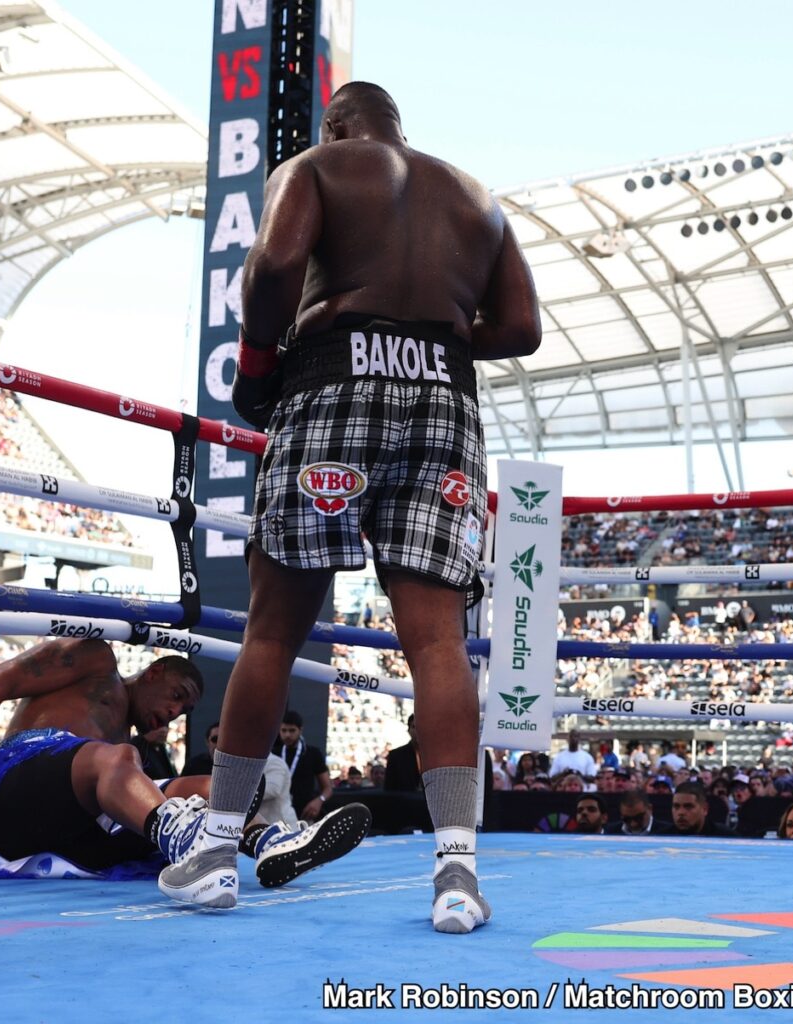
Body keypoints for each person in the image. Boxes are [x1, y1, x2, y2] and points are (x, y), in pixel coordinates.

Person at [161, 80, 540, 933]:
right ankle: (457, 876)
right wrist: (427, 336)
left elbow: (272, 266)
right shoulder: (476, 198)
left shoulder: (317, 164)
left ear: (338, 124)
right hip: (445, 399)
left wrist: (261, 357)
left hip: (334, 380)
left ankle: (219, 851)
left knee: (271, 629)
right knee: (438, 642)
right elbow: (519, 328)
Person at [0, 639, 368, 899]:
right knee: (120, 761)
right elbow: (0, 677)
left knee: (209, 785)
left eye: (185, 711)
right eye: (177, 696)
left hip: (69, 829)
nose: (175, 714)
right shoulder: (96, 663)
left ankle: (267, 843)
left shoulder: (124, 747)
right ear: (152, 674)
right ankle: (190, 842)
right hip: (16, 788)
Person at [272, 710, 333, 821]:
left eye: (292, 730)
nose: (287, 735)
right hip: (278, 815)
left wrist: (319, 801)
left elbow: (327, 788)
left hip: (306, 815)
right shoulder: (273, 754)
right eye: (283, 730)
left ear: (300, 730)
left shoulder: (313, 753)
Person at [668, 783, 734, 837]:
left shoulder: (726, 837)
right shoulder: (663, 837)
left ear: (705, 809)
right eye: (676, 806)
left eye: (688, 807)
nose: (681, 812)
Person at [605, 790, 672, 836]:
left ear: (650, 809)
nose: (633, 824)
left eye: (638, 818)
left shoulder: (668, 832)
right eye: (626, 819)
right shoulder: (609, 832)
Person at [384, 714, 422, 792]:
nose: (418, 731)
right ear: (409, 730)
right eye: (414, 727)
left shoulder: (437, 755)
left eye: (421, 726)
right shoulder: (396, 756)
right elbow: (389, 788)